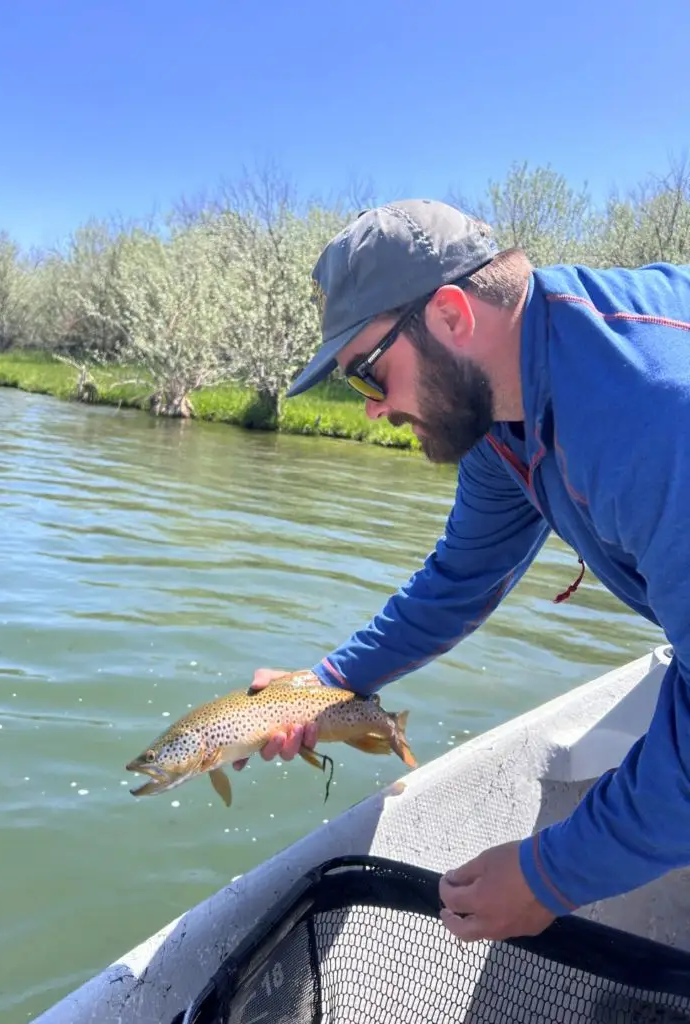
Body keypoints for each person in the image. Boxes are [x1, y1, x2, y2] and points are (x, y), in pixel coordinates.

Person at [232, 198, 690, 943]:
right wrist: (326, 684)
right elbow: (459, 581)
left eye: (367, 378)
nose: (373, 413)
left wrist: (554, 874)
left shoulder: (652, 415)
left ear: (450, 316)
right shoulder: (504, 409)